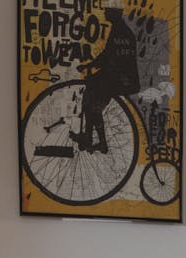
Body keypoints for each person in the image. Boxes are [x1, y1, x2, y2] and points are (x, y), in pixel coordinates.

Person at [70, 0, 140, 154]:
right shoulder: (120, 29)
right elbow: (109, 58)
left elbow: (110, 60)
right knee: (90, 96)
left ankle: (99, 142)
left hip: (121, 80)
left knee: (93, 105)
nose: (105, 13)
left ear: (115, 13)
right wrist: (90, 67)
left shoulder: (121, 32)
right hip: (117, 77)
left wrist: (91, 68)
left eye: (108, 11)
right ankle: (89, 137)